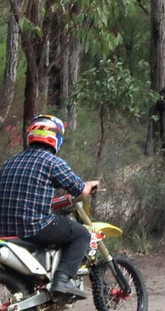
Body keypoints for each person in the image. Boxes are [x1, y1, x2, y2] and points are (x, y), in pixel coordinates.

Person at [0, 115, 99, 299]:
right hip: (33, 227)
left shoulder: (9, 163)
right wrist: (91, 184)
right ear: (56, 138)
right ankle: (62, 280)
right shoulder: (52, 162)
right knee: (81, 234)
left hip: (5, 231)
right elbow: (80, 190)